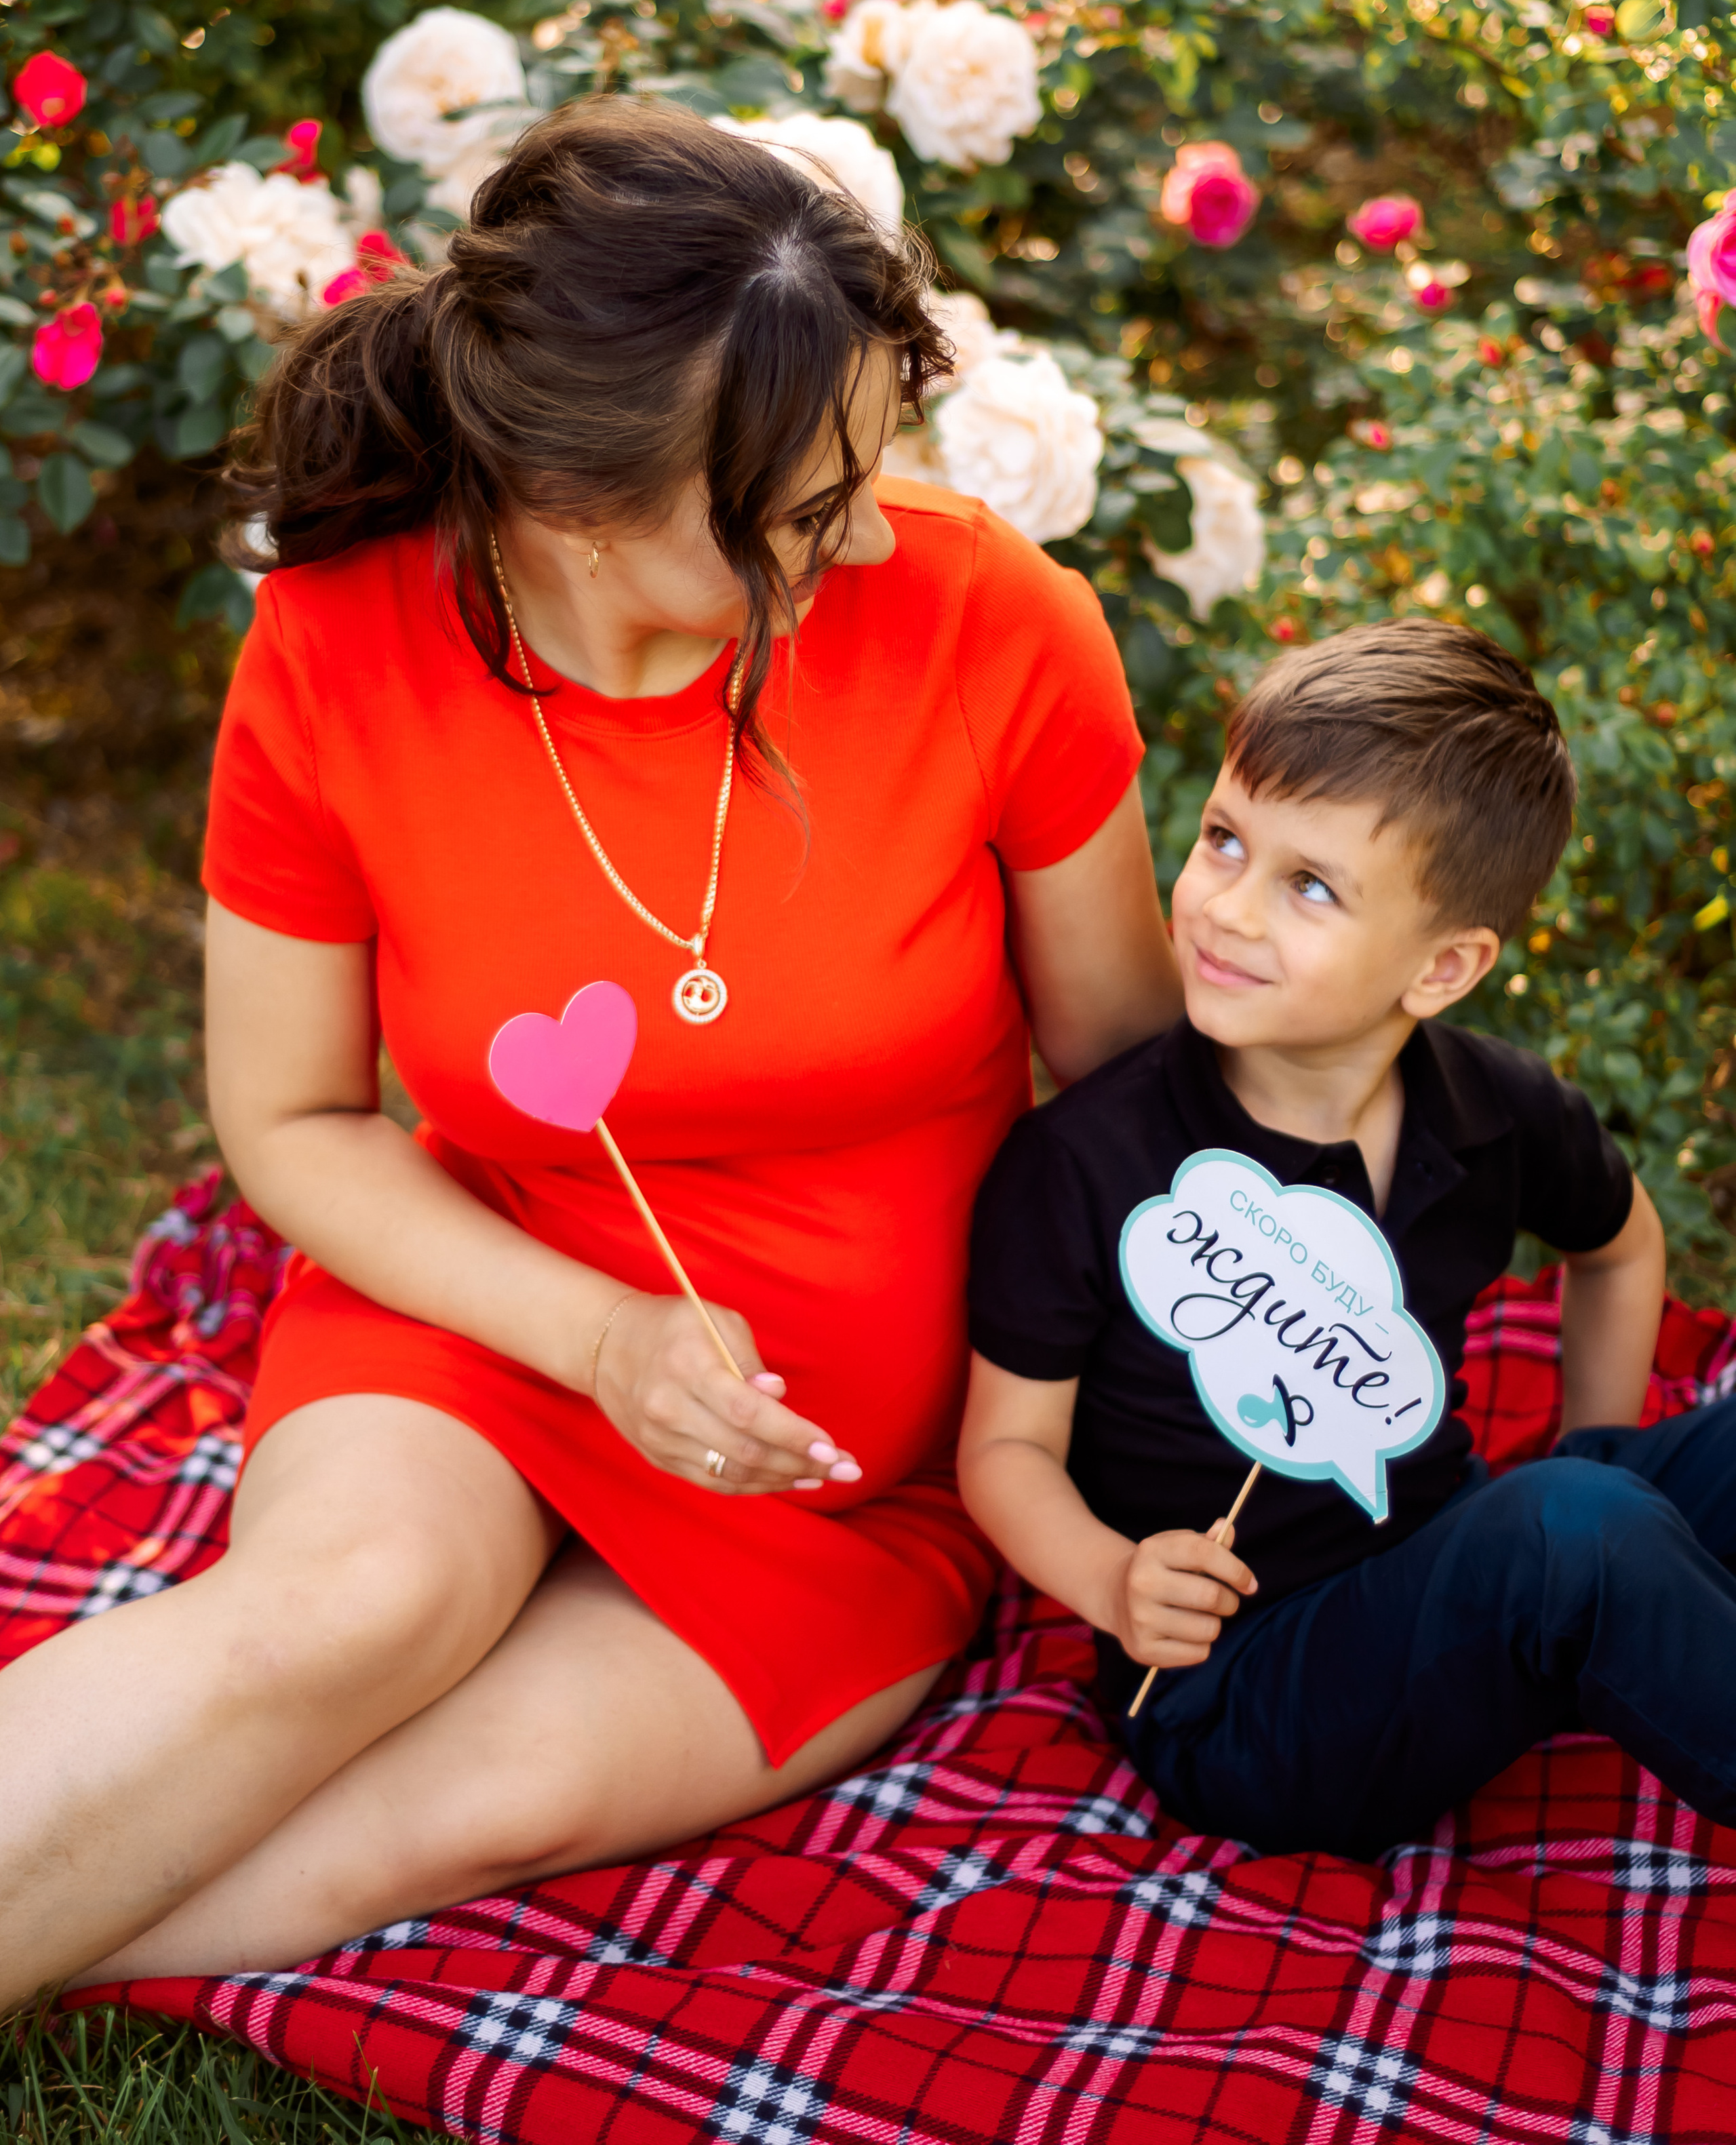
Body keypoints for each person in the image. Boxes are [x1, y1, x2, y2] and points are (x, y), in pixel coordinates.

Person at [0, 98, 1182, 2003]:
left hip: (857, 1469)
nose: (871, 535)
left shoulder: (993, 624)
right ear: (576, 509)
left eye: (871, 470)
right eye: (803, 514)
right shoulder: (337, 639)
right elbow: (292, 1118)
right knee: (348, 1615)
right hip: (487, 1313)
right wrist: (601, 1338)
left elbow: (1139, 1096)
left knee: (465, 1804)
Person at [960, 618, 1736, 1862]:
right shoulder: (1090, 1160)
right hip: (1242, 1693)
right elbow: (1002, 1449)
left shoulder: (1497, 1111)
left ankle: (1618, 1586)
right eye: (1223, 839)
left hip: (1438, 1556)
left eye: (1308, 885)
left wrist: (1606, 1445)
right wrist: (1114, 1579)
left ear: (1443, 966)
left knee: (1606, 1502)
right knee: (1579, 1533)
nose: (1226, 906)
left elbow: (1622, 1246)